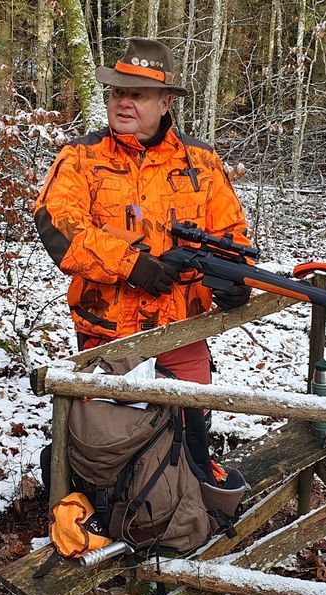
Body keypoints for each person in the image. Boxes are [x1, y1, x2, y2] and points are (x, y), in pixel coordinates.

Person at [33, 38, 252, 478]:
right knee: (104, 447)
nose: (124, 102)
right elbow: (57, 223)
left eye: (138, 94)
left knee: (190, 442)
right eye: (118, 93)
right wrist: (131, 264)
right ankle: (104, 518)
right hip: (108, 337)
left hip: (184, 331)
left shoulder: (203, 162)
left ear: (165, 101)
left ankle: (183, 522)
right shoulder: (82, 158)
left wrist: (235, 282)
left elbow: (231, 235)